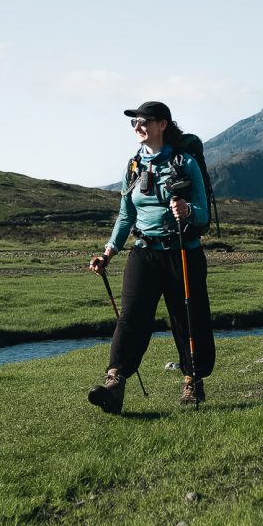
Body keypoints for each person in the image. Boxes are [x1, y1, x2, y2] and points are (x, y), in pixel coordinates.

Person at [87, 101, 214, 412]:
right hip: (144, 253)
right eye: (134, 122)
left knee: (188, 319)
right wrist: (108, 252)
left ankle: (192, 380)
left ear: (162, 125)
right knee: (131, 318)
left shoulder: (186, 163)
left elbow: (203, 214)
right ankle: (114, 383)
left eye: (144, 121)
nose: (138, 127)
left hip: (183, 252)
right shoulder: (133, 166)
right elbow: (125, 215)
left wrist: (187, 210)